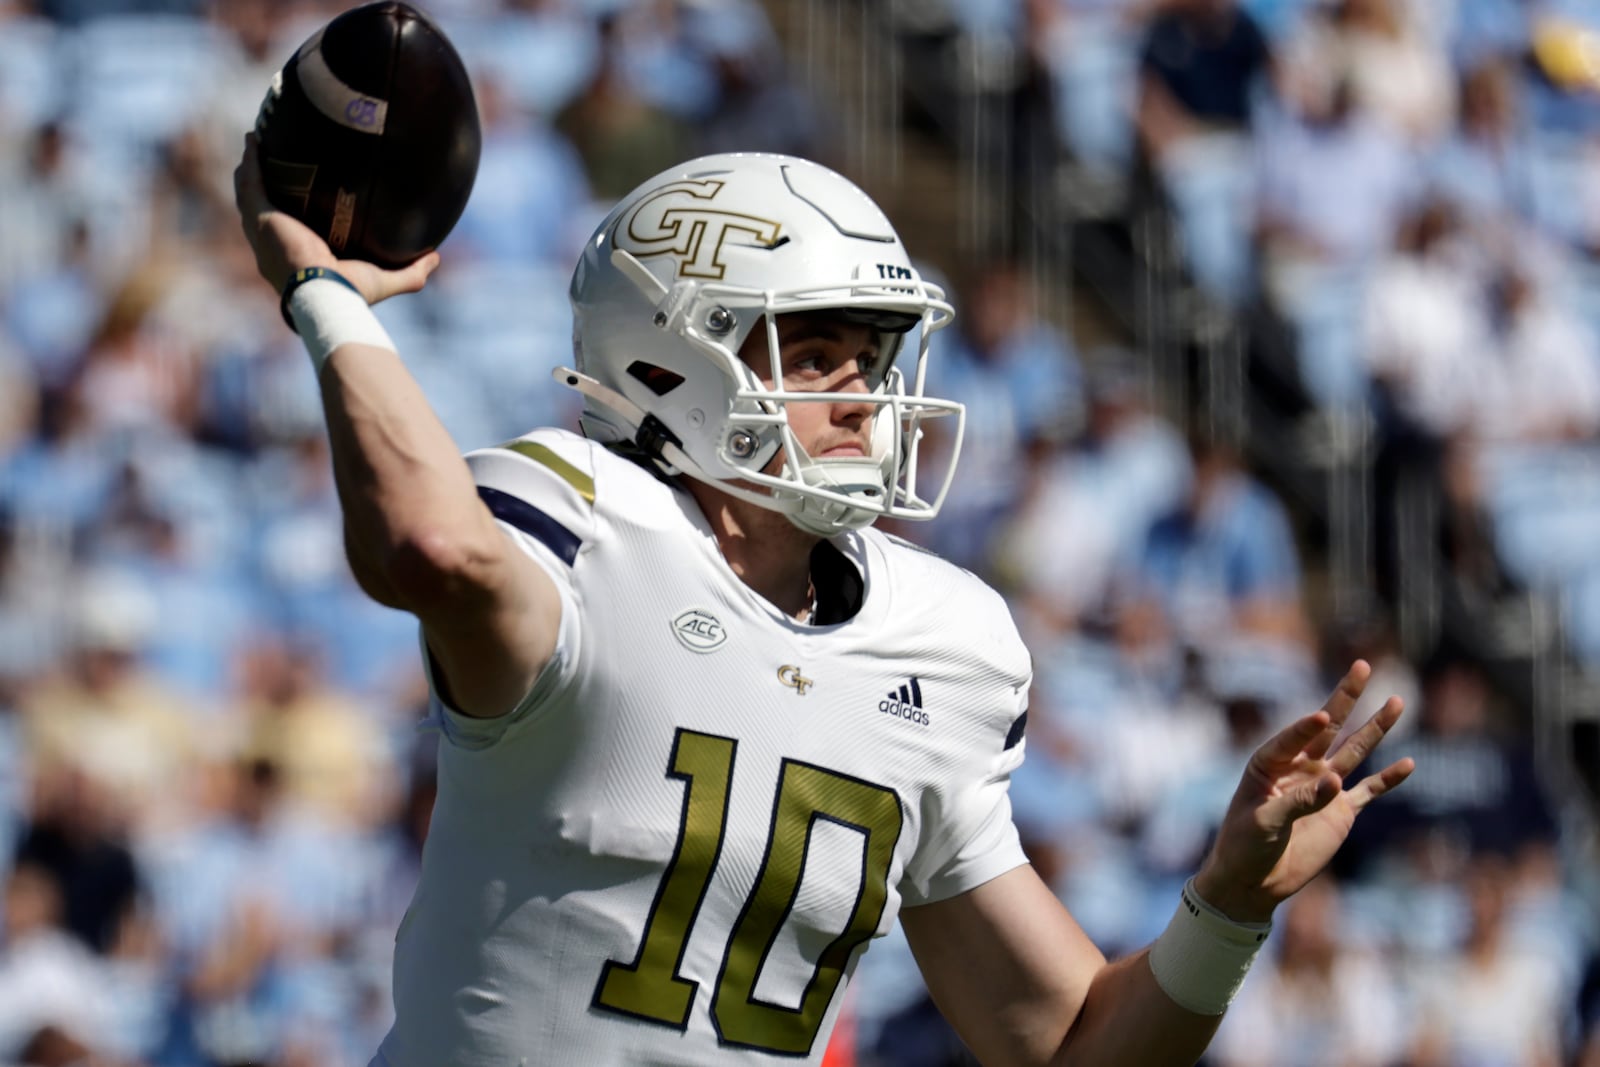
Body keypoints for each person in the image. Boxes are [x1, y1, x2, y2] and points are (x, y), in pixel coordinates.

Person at [233, 134, 1415, 1066]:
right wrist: (329, 298)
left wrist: (1223, 907)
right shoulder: (584, 523)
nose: (863, 396)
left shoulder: (944, 642)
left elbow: (1063, 1045)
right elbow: (430, 541)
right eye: (815, 354)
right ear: (665, 362)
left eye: (873, 355)